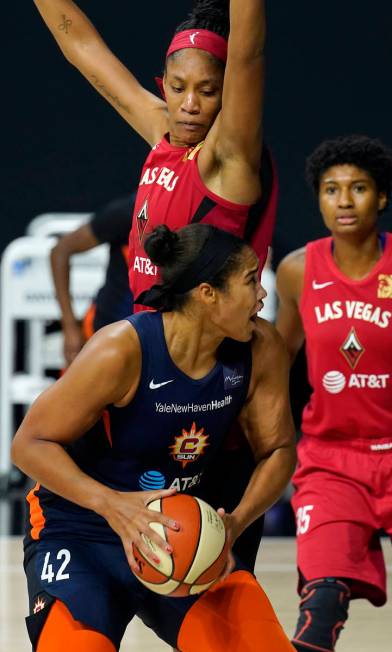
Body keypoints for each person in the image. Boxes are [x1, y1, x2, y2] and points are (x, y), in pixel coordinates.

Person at [34, 0, 277, 575]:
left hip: (209, 386)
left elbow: (247, 51)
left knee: (205, 588)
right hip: (149, 374)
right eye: (178, 86)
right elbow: (83, 49)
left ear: (229, 95)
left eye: (209, 90)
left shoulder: (229, 160)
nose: (191, 104)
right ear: (162, 85)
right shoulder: (162, 131)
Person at [12, 223, 297, 652]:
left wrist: (234, 523)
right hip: (82, 529)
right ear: (207, 294)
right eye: (250, 280)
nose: (262, 294)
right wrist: (112, 504)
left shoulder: (261, 347)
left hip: (180, 529)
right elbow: (28, 445)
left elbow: (277, 450)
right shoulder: (120, 350)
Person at [275, 134, 392, 651]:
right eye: (330, 189)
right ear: (318, 199)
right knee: (318, 610)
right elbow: (275, 363)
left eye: (358, 188)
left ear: (382, 197)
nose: (344, 201)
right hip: (332, 462)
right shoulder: (298, 271)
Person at [50, 193, 135, 365]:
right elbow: (60, 251)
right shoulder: (129, 211)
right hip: (104, 331)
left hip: (152, 335)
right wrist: (70, 326)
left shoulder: (192, 215)